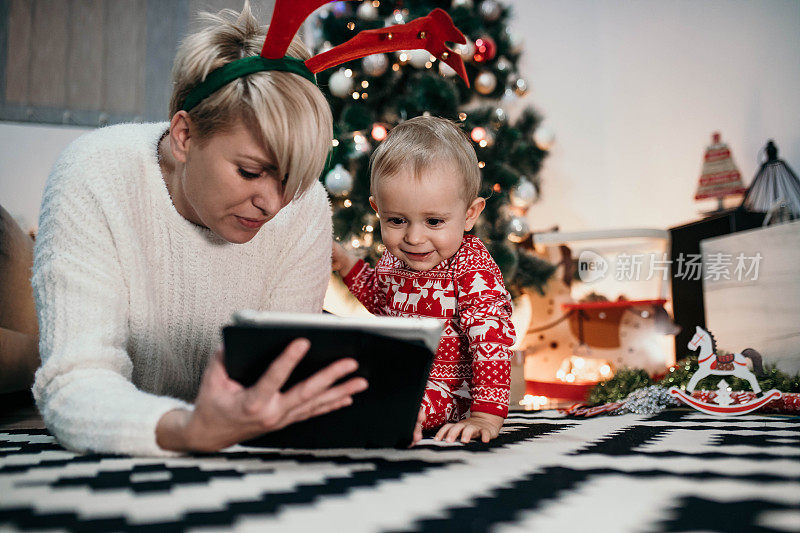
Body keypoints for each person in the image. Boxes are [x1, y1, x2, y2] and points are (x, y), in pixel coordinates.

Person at [31, 4, 368, 456]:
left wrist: (369, 418)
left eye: (292, 178)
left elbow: (277, 380)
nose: (273, 203)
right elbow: (74, 383)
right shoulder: (93, 176)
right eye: (250, 172)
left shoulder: (303, 207)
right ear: (184, 136)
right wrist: (189, 430)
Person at [331, 116, 516, 444]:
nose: (414, 238)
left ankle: (389, 419)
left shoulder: (472, 269)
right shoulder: (394, 258)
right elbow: (381, 300)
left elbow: (491, 344)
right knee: (344, 376)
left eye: (434, 221)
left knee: (402, 400)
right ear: (378, 209)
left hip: (452, 391)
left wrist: (485, 416)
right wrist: (347, 265)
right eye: (397, 220)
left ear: (470, 214)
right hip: (402, 372)